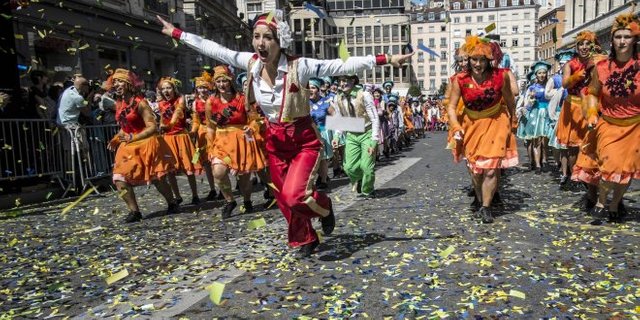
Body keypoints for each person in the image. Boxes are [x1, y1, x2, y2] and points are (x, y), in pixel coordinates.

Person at [158, 10, 412, 257]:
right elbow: (215, 49)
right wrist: (178, 33)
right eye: (257, 36)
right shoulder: (251, 63)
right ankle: (307, 238)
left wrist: (386, 59)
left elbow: (339, 64)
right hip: (275, 141)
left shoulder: (299, 67)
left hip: (302, 141)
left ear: (280, 41)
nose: (260, 43)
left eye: (267, 37)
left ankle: (324, 207)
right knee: (283, 200)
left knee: (294, 195)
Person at [447, 36, 518, 223]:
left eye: (482, 60)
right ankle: (480, 200)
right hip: (471, 125)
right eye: (474, 59)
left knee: (492, 169)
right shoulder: (460, 80)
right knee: (476, 171)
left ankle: (486, 207)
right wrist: (455, 126)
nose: (478, 64)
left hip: (496, 122)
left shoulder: (500, 76)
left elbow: (510, 101)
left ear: (488, 60)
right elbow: (452, 107)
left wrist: (514, 119)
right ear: (468, 60)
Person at [583, 13, 640, 223]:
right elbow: (592, 93)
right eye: (618, 37)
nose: (622, 41)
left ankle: (615, 203)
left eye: (627, 37)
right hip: (609, 122)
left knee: (626, 171)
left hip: (635, 128)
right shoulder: (602, 68)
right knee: (608, 166)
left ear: (635, 40)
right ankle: (601, 200)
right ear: (612, 40)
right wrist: (590, 114)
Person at [105, 68, 178, 222]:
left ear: (129, 84)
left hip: (145, 144)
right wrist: (117, 137)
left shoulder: (141, 103)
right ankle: (134, 211)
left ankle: (172, 202)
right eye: (115, 82)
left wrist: (134, 136)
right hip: (128, 146)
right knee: (119, 179)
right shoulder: (119, 103)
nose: (116, 85)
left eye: (120, 82)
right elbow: (125, 125)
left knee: (157, 180)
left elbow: (152, 127)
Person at [205, 65, 272, 217]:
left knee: (244, 178)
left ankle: (247, 200)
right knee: (218, 172)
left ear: (230, 82)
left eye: (225, 81)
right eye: (218, 81)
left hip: (241, 141)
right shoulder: (211, 102)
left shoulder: (242, 99)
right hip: (221, 142)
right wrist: (210, 146)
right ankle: (229, 201)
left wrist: (252, 127)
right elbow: (210, 126)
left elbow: (255, 119)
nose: (222, 85)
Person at [566, 31, 604, 211]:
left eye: (587, 44)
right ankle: (579, 181)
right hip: (577, 106)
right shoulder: (571, 64)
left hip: (602, 110)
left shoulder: (601, 62)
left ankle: (604, 198)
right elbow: (565, 83)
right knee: (577, 146)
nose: (584, 47)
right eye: (580, 44)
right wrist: (574, 77)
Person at [330, 74, 380, 198]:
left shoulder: (365, 95)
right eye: (340, 81)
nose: (342, 84)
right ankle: (359, 179)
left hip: (367, 133)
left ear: (353, 81)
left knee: (366, 166)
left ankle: (368, 190)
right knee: (349, 167)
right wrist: (336, 136)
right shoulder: (338, 98)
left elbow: (374, 118)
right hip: (351, 134)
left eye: (345, 80)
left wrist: (374, 140)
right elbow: (340, 119)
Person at [157, 76, 203, 205]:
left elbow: (178, 112)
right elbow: (161, 118)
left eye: (169, 88)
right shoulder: (160, 104)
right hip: (168, 139)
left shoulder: (180, 99)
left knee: (188, 167)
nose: (166, 91)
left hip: (181, 136)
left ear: (174, 89)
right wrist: (161, 127)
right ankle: (177, 196)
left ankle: (195, 195)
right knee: (170, 170)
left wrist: (170, 124)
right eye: (163, 88)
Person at [545, 49, 573, 187]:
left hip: (575, 115)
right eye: (562, 63)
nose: (564, 65)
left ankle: (574, 172)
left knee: (574, 147)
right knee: (561, 146)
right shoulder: (555, 79)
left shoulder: (577, 77)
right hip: (559, 114)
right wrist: (558, 91)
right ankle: (563, 171)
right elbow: (547, 94)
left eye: (567, 63)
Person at [190, 71, 219, 201]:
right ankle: (213, 189)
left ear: (209, 87)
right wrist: (193, 131)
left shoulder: (214, 99)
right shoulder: (195, 103)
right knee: (206, 162)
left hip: (215, 130)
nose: (202, 90)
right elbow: (196, 120)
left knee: (219, 159)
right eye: (200, 88)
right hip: (202, 132)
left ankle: (225, 186)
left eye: (204, 87)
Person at [522, 61, 553, 174]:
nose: (542, 75)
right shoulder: (532, 88)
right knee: (536, 141)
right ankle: (538, 165)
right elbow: (528, 104)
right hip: (536, 114)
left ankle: (544, 161)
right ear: (536, 74)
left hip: (547, 114)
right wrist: (530, 101)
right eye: (539, 73)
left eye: (544, 73)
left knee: (545, 141)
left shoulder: (550, 85)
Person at [309, 77, 333, 191]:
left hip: (323, 133)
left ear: (318, 89)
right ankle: (319, 177)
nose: (310, 90)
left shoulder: (325, 102)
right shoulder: (304, 102)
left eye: (313, 87)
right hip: (308, 134)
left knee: (323, 159)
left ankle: (323, 180)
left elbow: (336, 117)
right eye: (308, 88)